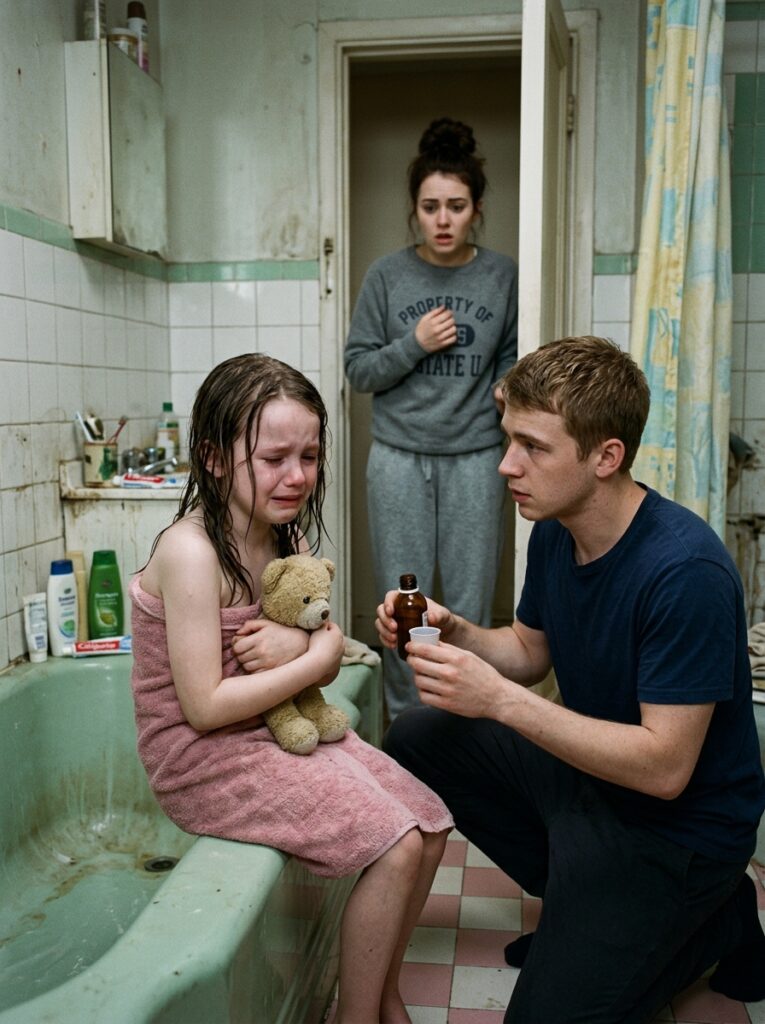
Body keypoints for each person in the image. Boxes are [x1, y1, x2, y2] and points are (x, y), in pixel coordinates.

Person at [378, 336, 765, 1023]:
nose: (506, 464)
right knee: (418, 736)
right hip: (598, 785)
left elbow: (665, 769)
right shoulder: (558, 530)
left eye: (532, 446)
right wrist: (455, 629)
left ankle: (714, 915)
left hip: (678, 833)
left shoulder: (685, 573)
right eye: (509, 439)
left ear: (605, 457)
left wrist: (498, 700)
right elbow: (529, 650)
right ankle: (582, 902)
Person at [129, 353, 453, 1024]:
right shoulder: (191, 553)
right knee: (394, 846)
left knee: (429, 819)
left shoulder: (286, 536)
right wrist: (316, 654)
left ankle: (381, 993)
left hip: (275, 726)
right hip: (201, 759)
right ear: (213, 459)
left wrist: (307, 650)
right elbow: (205, 708)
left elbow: (318, 652)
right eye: (274, 458)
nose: (298, 475)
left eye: (308, 456)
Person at [345, 116, 518, 720]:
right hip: (398, 459)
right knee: (403, 607)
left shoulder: (503, 276)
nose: (443, 220)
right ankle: (406, 726)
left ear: (477, 209)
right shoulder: (386, 276)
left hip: (476, 457)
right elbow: (358, 370)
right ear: (414, 210)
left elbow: (510, 361)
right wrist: (414, 344)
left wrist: (508, 389)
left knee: (466, 608)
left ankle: (464, 728)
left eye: (457, 206)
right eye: (430, 207)